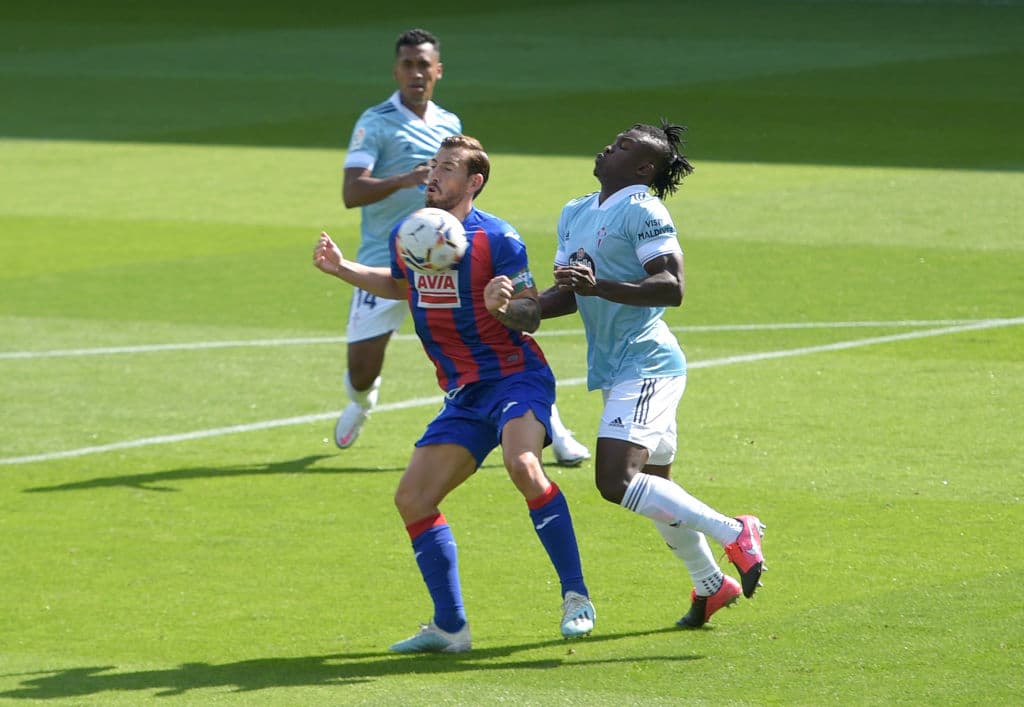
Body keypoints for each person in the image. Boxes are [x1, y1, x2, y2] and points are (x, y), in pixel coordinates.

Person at [314, 134, 596, 652]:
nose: (433, 176)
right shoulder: (415, 231)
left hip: (516, 377)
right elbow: (402, 285)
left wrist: (503, 306)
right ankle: (450, 628)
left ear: (474, 182)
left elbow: (533, 311)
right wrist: (343, 269)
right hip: (464, 394)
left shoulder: (499, 239)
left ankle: (576, 596)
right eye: (433, 168)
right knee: (413, 498)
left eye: (447, 168)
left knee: (523, 466)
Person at [538, 120, 766, 629]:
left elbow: (671, 285)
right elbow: (572, 291)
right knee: (657, 488)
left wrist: (600, 288)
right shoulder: (575, 211)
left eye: (622, 146)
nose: (607, 145)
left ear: (642, 167)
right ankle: (711, 585)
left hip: (647, 364)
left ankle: (736, 532)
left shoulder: (643, 209)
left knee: (615, 480)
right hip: (618, 366)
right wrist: (526, 309)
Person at [336, 27, 590, 466]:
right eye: (407, 65)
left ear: (438, 70)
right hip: (389, 255)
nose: (416, 73)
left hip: (451, 256)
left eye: (424, 65)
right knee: (362, 367)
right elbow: (352, 193)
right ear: (396, 70)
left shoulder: (448, 123)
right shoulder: (374, 122)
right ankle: (361, 400)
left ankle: (555, 428)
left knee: (498, 337)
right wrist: (407, 178)